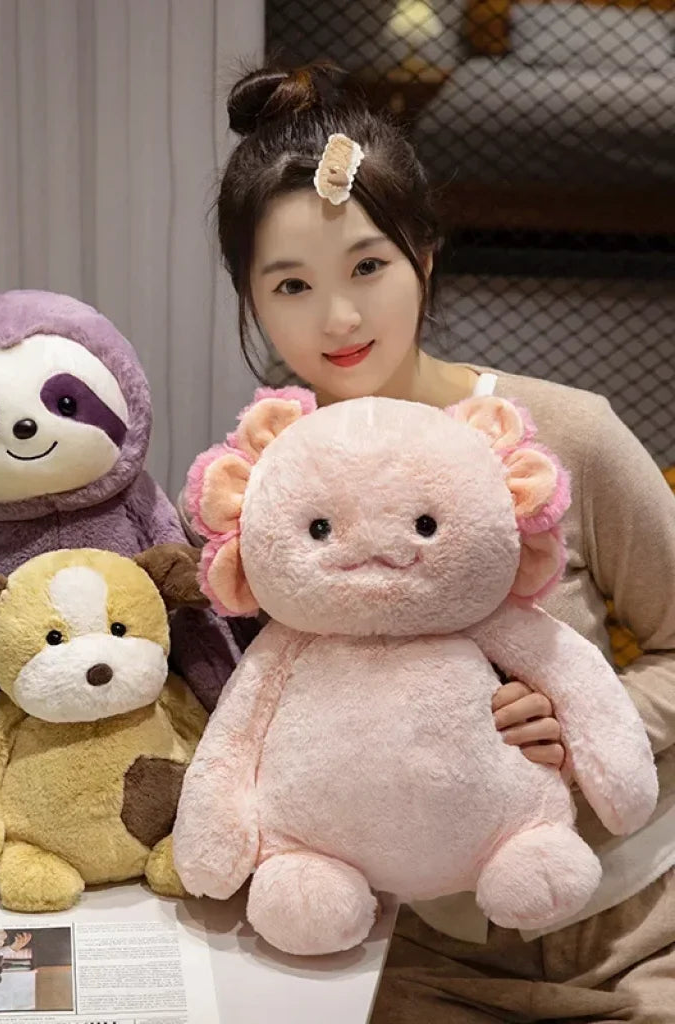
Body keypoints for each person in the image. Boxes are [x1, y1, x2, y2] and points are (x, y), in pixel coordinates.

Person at [186, 60, 675, 1021]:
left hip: (628, 925)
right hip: (400, 946)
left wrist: (594, 717)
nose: (339, 317)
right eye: (292, 284)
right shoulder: (261, 489)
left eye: (369, 267)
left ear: (426, 254)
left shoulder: (565, 435)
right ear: (250, 298)